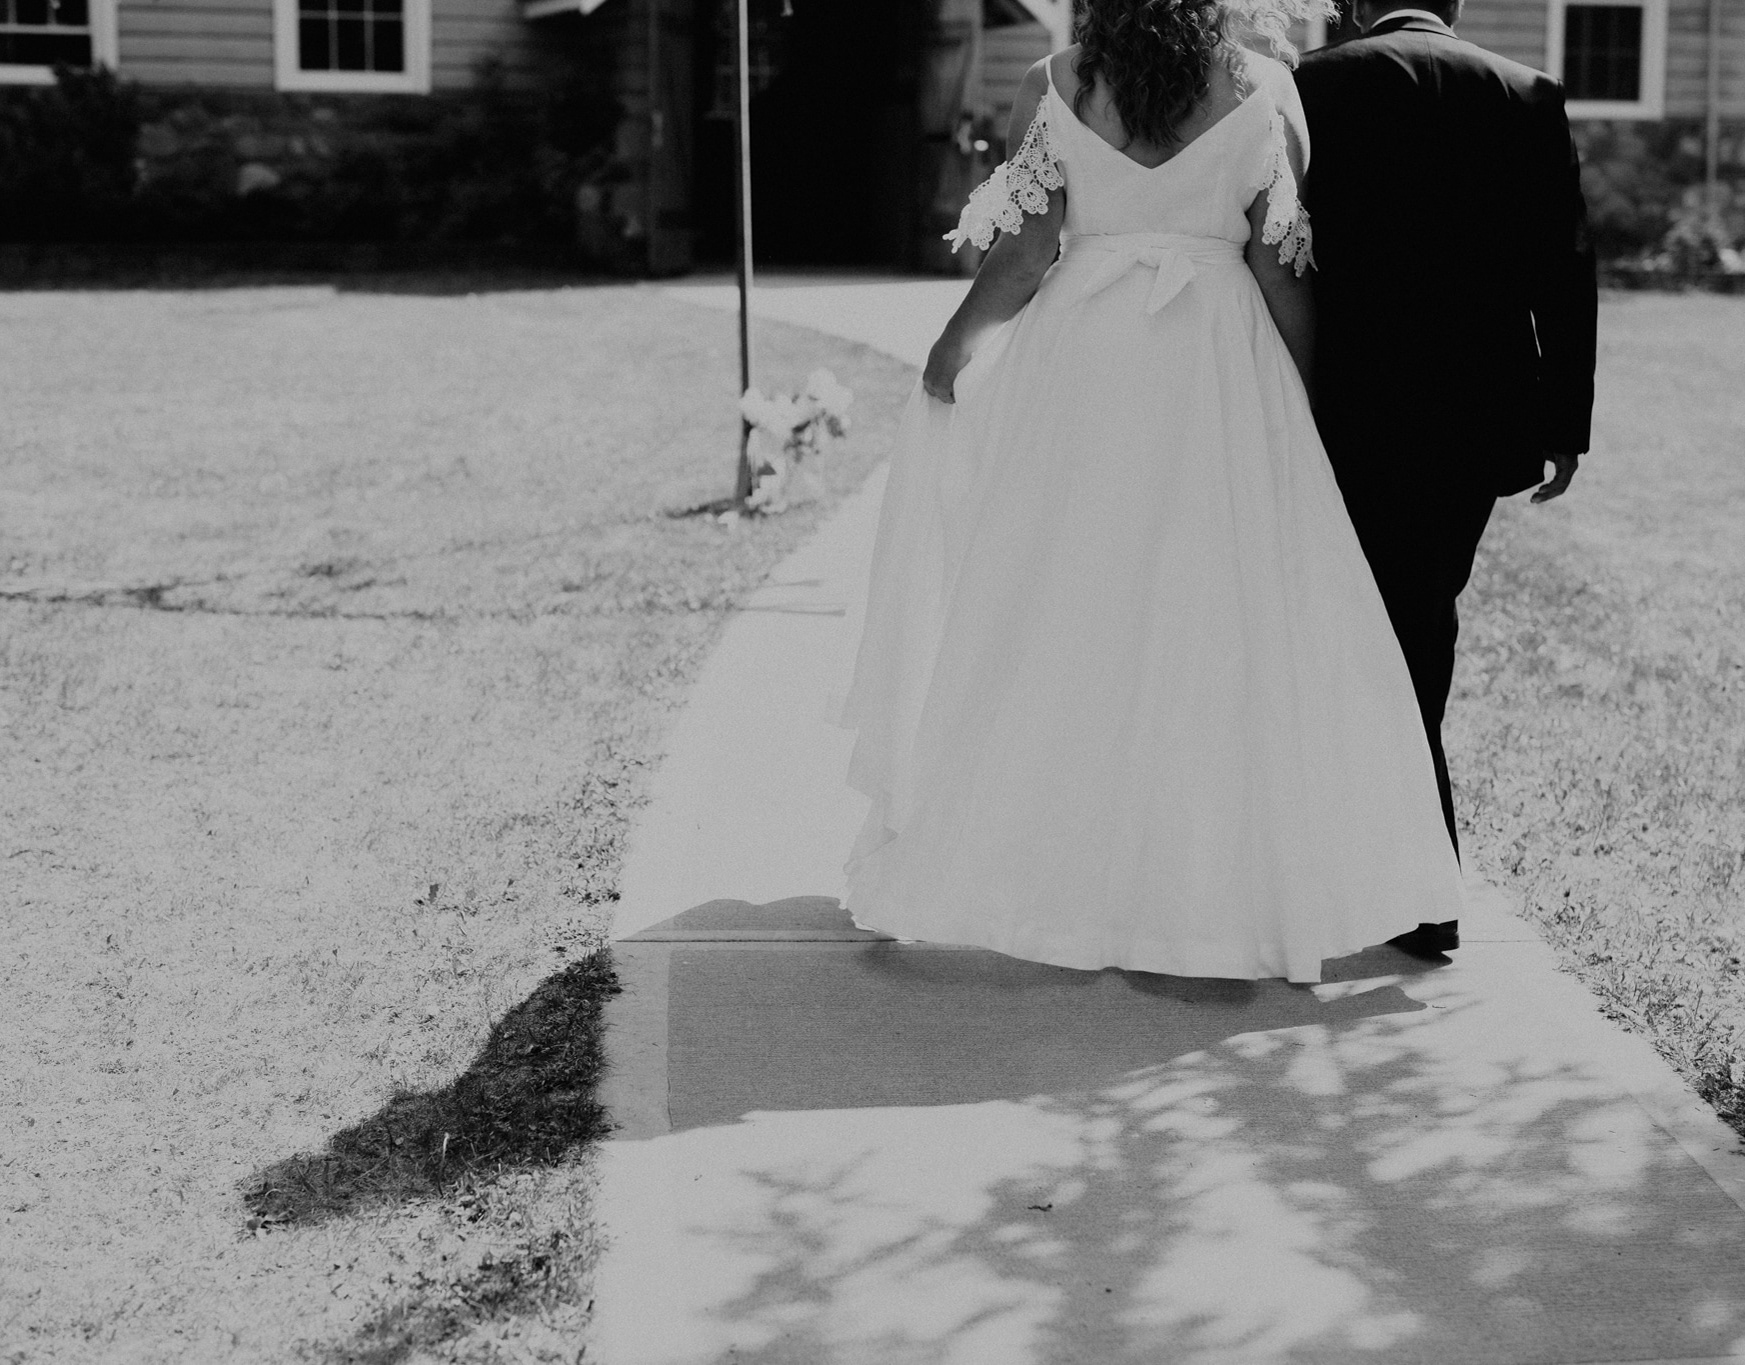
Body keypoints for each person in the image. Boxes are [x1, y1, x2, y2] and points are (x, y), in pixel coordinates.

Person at [832, 0, 1468, 984]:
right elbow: (1278, 269)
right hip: (1217, 366)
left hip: (1083, 361)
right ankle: (1202, 884)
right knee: (1215, 618)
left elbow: (1023, 253)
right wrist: (1298, 405)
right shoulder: (1265, 89)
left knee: (1063, 604)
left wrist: (953, 345)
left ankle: (1060, 868)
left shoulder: (1054, 84)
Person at [1294, 0, 1598, 955]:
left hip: (1346, 404)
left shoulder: (1313, 85)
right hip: (1474, 416)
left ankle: (1400, 882)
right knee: (1419, 620)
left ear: (1354, 2)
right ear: (1455, 3)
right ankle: (1415, 886)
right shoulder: (1525, 92)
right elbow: (1566, 269)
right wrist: (1564, 424)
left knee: (1374, 629)